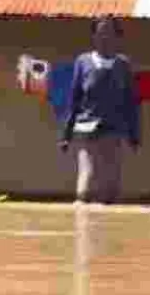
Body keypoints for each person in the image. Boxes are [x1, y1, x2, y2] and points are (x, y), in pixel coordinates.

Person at [59, 15, 141, 204]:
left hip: (114, 128)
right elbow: (74, 99)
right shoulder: (83, 62)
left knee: (111, 185)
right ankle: (82, 224)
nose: (105, 36)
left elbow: (131, 103)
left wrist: (134, 135)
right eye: (100, 32)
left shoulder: (123, 65)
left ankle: (107, 226)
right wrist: (66, 135)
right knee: (86, 183)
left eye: (110, 32)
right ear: (94, 36)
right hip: (86, 128)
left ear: (117, 37)